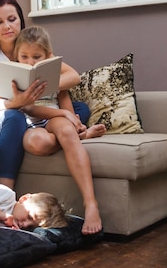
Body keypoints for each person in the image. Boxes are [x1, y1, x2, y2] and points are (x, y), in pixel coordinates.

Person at [0, 0, 88, 191]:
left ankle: (66, 134)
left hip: (27, 113)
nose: (7, 26)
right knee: (14, 117)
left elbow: (73, 77)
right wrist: (21, 100)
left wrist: (40, 88)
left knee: (82, 109)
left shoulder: (32, 48)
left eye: (12, 19)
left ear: (20, 20)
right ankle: (6, 194)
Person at [14, 26, 104, 235]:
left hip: (54, 118)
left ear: (47, 56)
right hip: (31, 121)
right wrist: (64, 116)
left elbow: (63, 96)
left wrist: (71, 119)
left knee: (66, 129)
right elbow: (27, 107)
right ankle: (79, 137)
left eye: (36, 57)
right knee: (38, 142)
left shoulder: (52, 70)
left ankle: (91, 204)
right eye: (24, 56)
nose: (30, 62)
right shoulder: (16, 74)